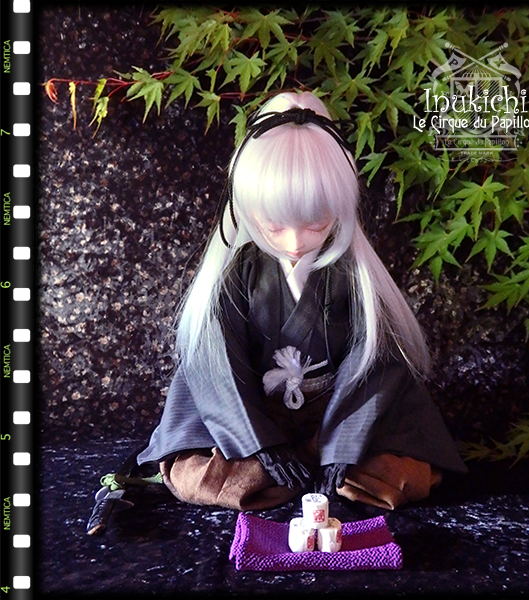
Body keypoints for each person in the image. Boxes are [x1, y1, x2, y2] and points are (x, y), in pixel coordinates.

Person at [137, 90, 467, 511]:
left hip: (334, 413)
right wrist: (261, 446)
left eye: (315, 224)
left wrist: (342, 446)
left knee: (395, 472)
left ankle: (327, 459)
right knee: (206, 475)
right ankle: (274, 462)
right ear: (248, 209)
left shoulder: (353, 276)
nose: (295, 242)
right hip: (256, 413)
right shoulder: (239, 274)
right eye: (275, 226)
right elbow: (215, 366)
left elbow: (375, 365)